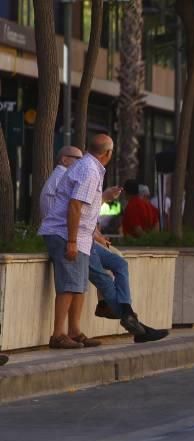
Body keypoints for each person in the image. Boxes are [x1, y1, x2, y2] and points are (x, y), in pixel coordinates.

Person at [37, 134, 115, 349]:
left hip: (80, 237)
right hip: (66, 234)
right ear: (108, 153)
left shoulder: (89, 167)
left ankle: (74, 331)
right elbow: (75, 206)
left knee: (79, 286)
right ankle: (58, 335)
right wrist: (71, 241)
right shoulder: (89, 170)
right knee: (68, 287)